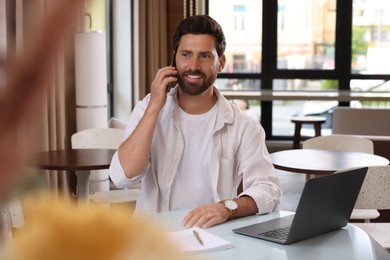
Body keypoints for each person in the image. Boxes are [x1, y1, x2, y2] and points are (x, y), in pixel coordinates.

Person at [109, 15, 281, 228]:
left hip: (215, 237)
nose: (193, 65)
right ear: (174, 60)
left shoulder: (244, 127)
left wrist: (227, 207)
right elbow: (122, 177)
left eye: (205, 56)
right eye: (186, 55)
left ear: (221, 63)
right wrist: (155, 107)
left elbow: (268, 190)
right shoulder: (148, 109)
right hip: (154, 238)